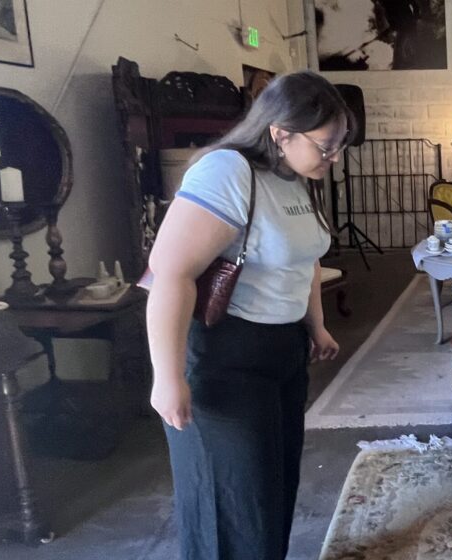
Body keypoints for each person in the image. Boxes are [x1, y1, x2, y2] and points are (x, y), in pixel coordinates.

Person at [146, 70, 355, 559]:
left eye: (340, 144)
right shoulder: (227, 171)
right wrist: (168, 378)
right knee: (234, 504)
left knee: (273, 492)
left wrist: (316, 325)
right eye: (326, 145)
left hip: (281, 350)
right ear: (281, 133)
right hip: (226, 357)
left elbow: (306, 260)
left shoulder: (294, 177)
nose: (334, 157)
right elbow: (170, 274)